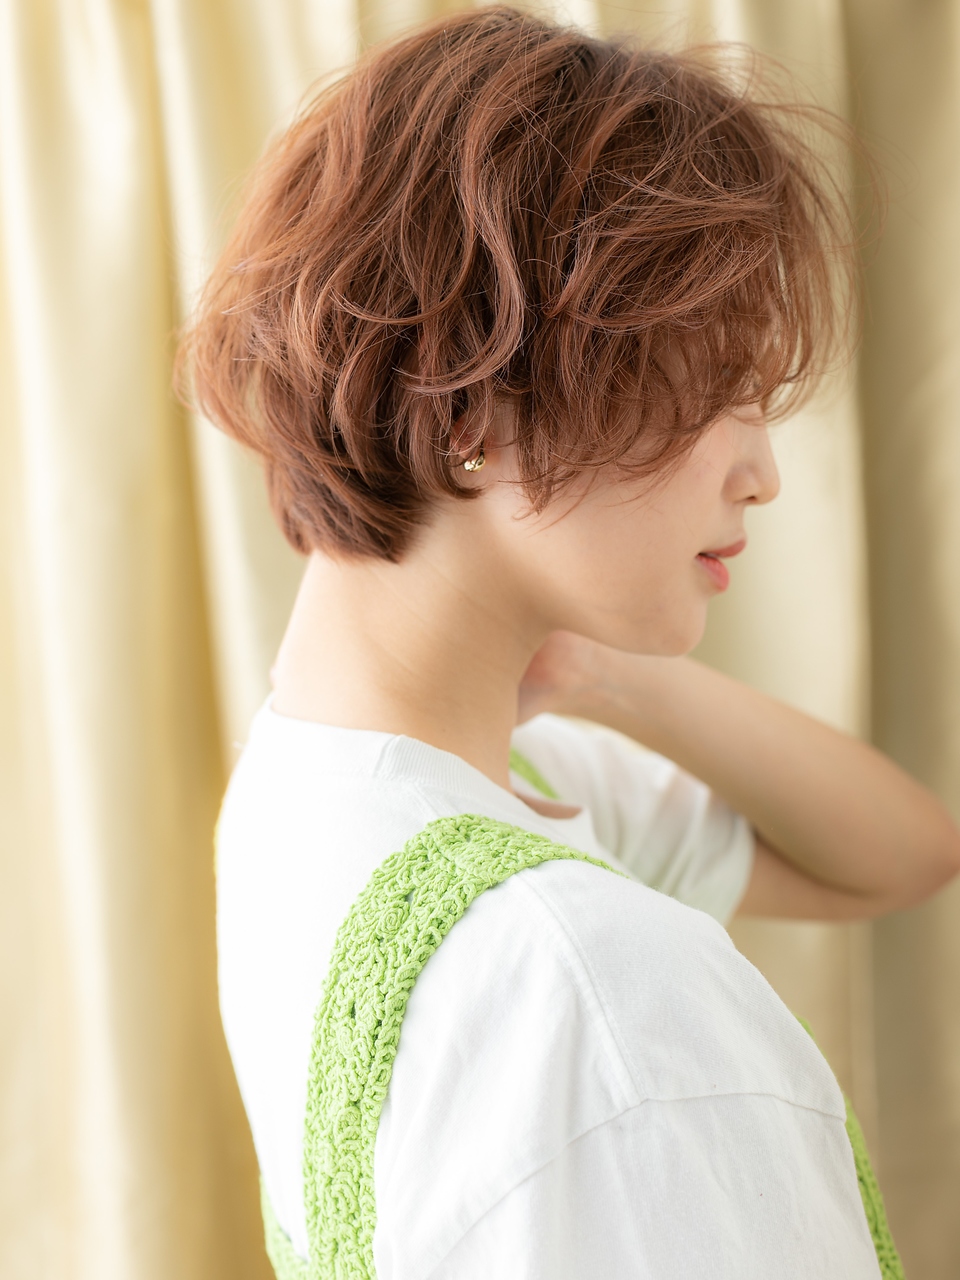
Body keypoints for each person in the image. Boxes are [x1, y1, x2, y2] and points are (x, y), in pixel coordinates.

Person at [181, 8, 960, 1277]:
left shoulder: (322, 785)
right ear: (475, 408)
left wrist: (610, 675)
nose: (762, 471)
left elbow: (905, 853)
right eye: (719, 388)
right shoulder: (584, 984)